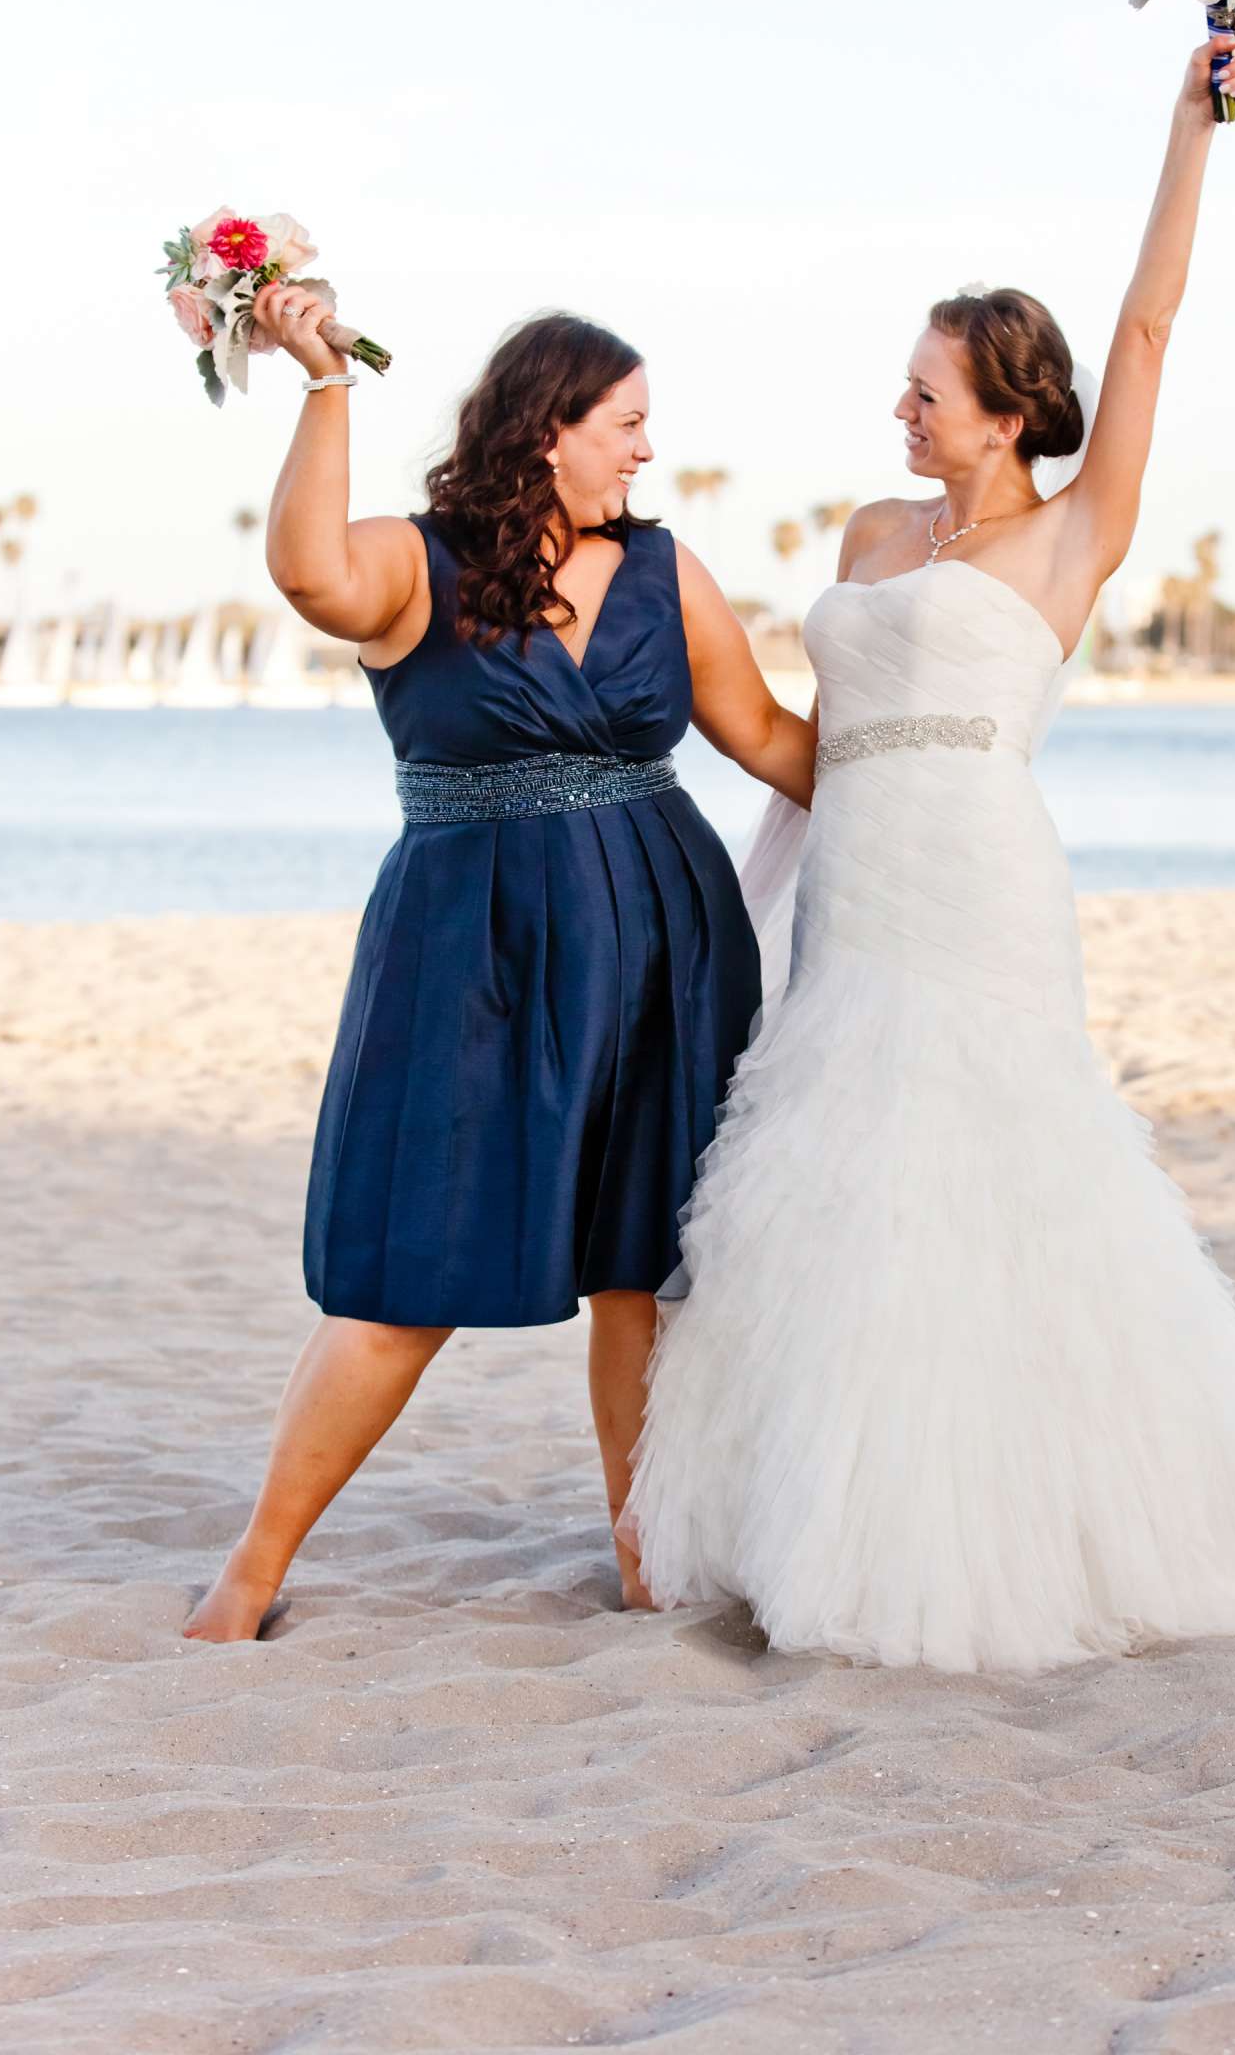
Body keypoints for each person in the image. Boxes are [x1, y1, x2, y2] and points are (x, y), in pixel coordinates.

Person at [624, 27, 1235, 1673]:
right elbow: (814, 746)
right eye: (900, 380)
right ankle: (816, 1513)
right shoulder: (872, 536)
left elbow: (1149, 322)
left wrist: (1195, 123)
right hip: (855, 885)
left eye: (925, 388)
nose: (897, 405)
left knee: (986, 1177)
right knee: (833, 1185)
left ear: (1005, 409)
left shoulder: (1074, 531)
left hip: (977, 887)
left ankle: (998, 1519)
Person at [185, 305, 813, 1642]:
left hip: (665, 946)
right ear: (548, 430)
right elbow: (305, 574)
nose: (648, 451)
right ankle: (254, 1565)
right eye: (628, 425)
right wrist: (328, 388)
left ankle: (645, 1553)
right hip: (469, 953)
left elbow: (760, 732)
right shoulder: (413, 565)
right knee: (409, 1271)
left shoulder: (665, 570)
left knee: (641, 1268)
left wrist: (943, 788)